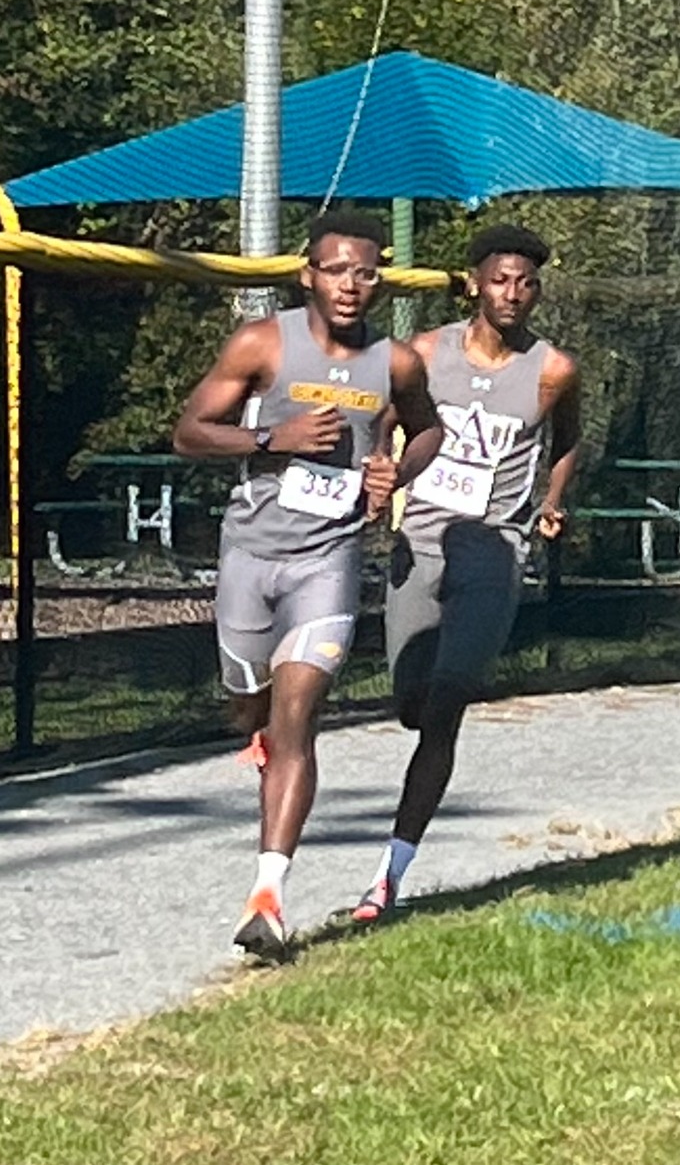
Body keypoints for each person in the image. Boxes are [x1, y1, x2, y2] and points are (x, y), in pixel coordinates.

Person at [173, 210, 442, 960]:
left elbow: (428, 429)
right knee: (250, 704)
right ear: (307, 275)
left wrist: (396, 471)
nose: (351, 285)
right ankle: (257, 733)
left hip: (329, 560)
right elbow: (189, 431)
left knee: (299, 715)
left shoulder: (395, 363)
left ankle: (268, 897)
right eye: (337, 270)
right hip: (251, 556)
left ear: (380, 281)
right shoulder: (262, 344)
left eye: (366, 272)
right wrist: (272, 438)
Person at [348, 223, 582, 924]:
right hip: (421, 540)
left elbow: (567, 438)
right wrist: (380, 475)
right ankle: (422, 708)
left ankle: (389, 874)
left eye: (527, 284)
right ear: (476, 283)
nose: (513, 294)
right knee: (412, 703)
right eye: (501, 280)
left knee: (447, 703)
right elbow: (386, 420)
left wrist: (551, 501)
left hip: (494, 549)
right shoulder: (425, 353)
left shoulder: (552, 370)